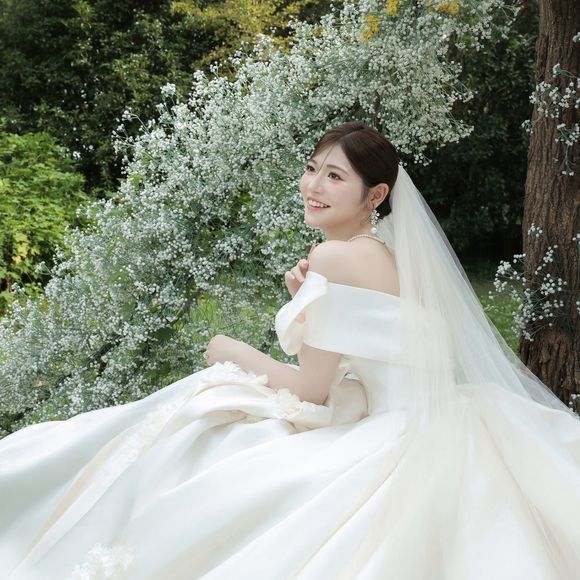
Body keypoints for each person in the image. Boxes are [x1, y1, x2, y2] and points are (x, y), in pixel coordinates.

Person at [1, 121, 579, 580]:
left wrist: (226, 347)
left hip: (388, 432)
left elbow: (311, 391)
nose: (313, 186)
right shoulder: (397, 258)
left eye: (334, 176)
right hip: (446, 414)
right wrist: (308, 299)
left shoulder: (332, 258)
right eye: (311, 169)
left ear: (376, 194)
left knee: (208, 402)